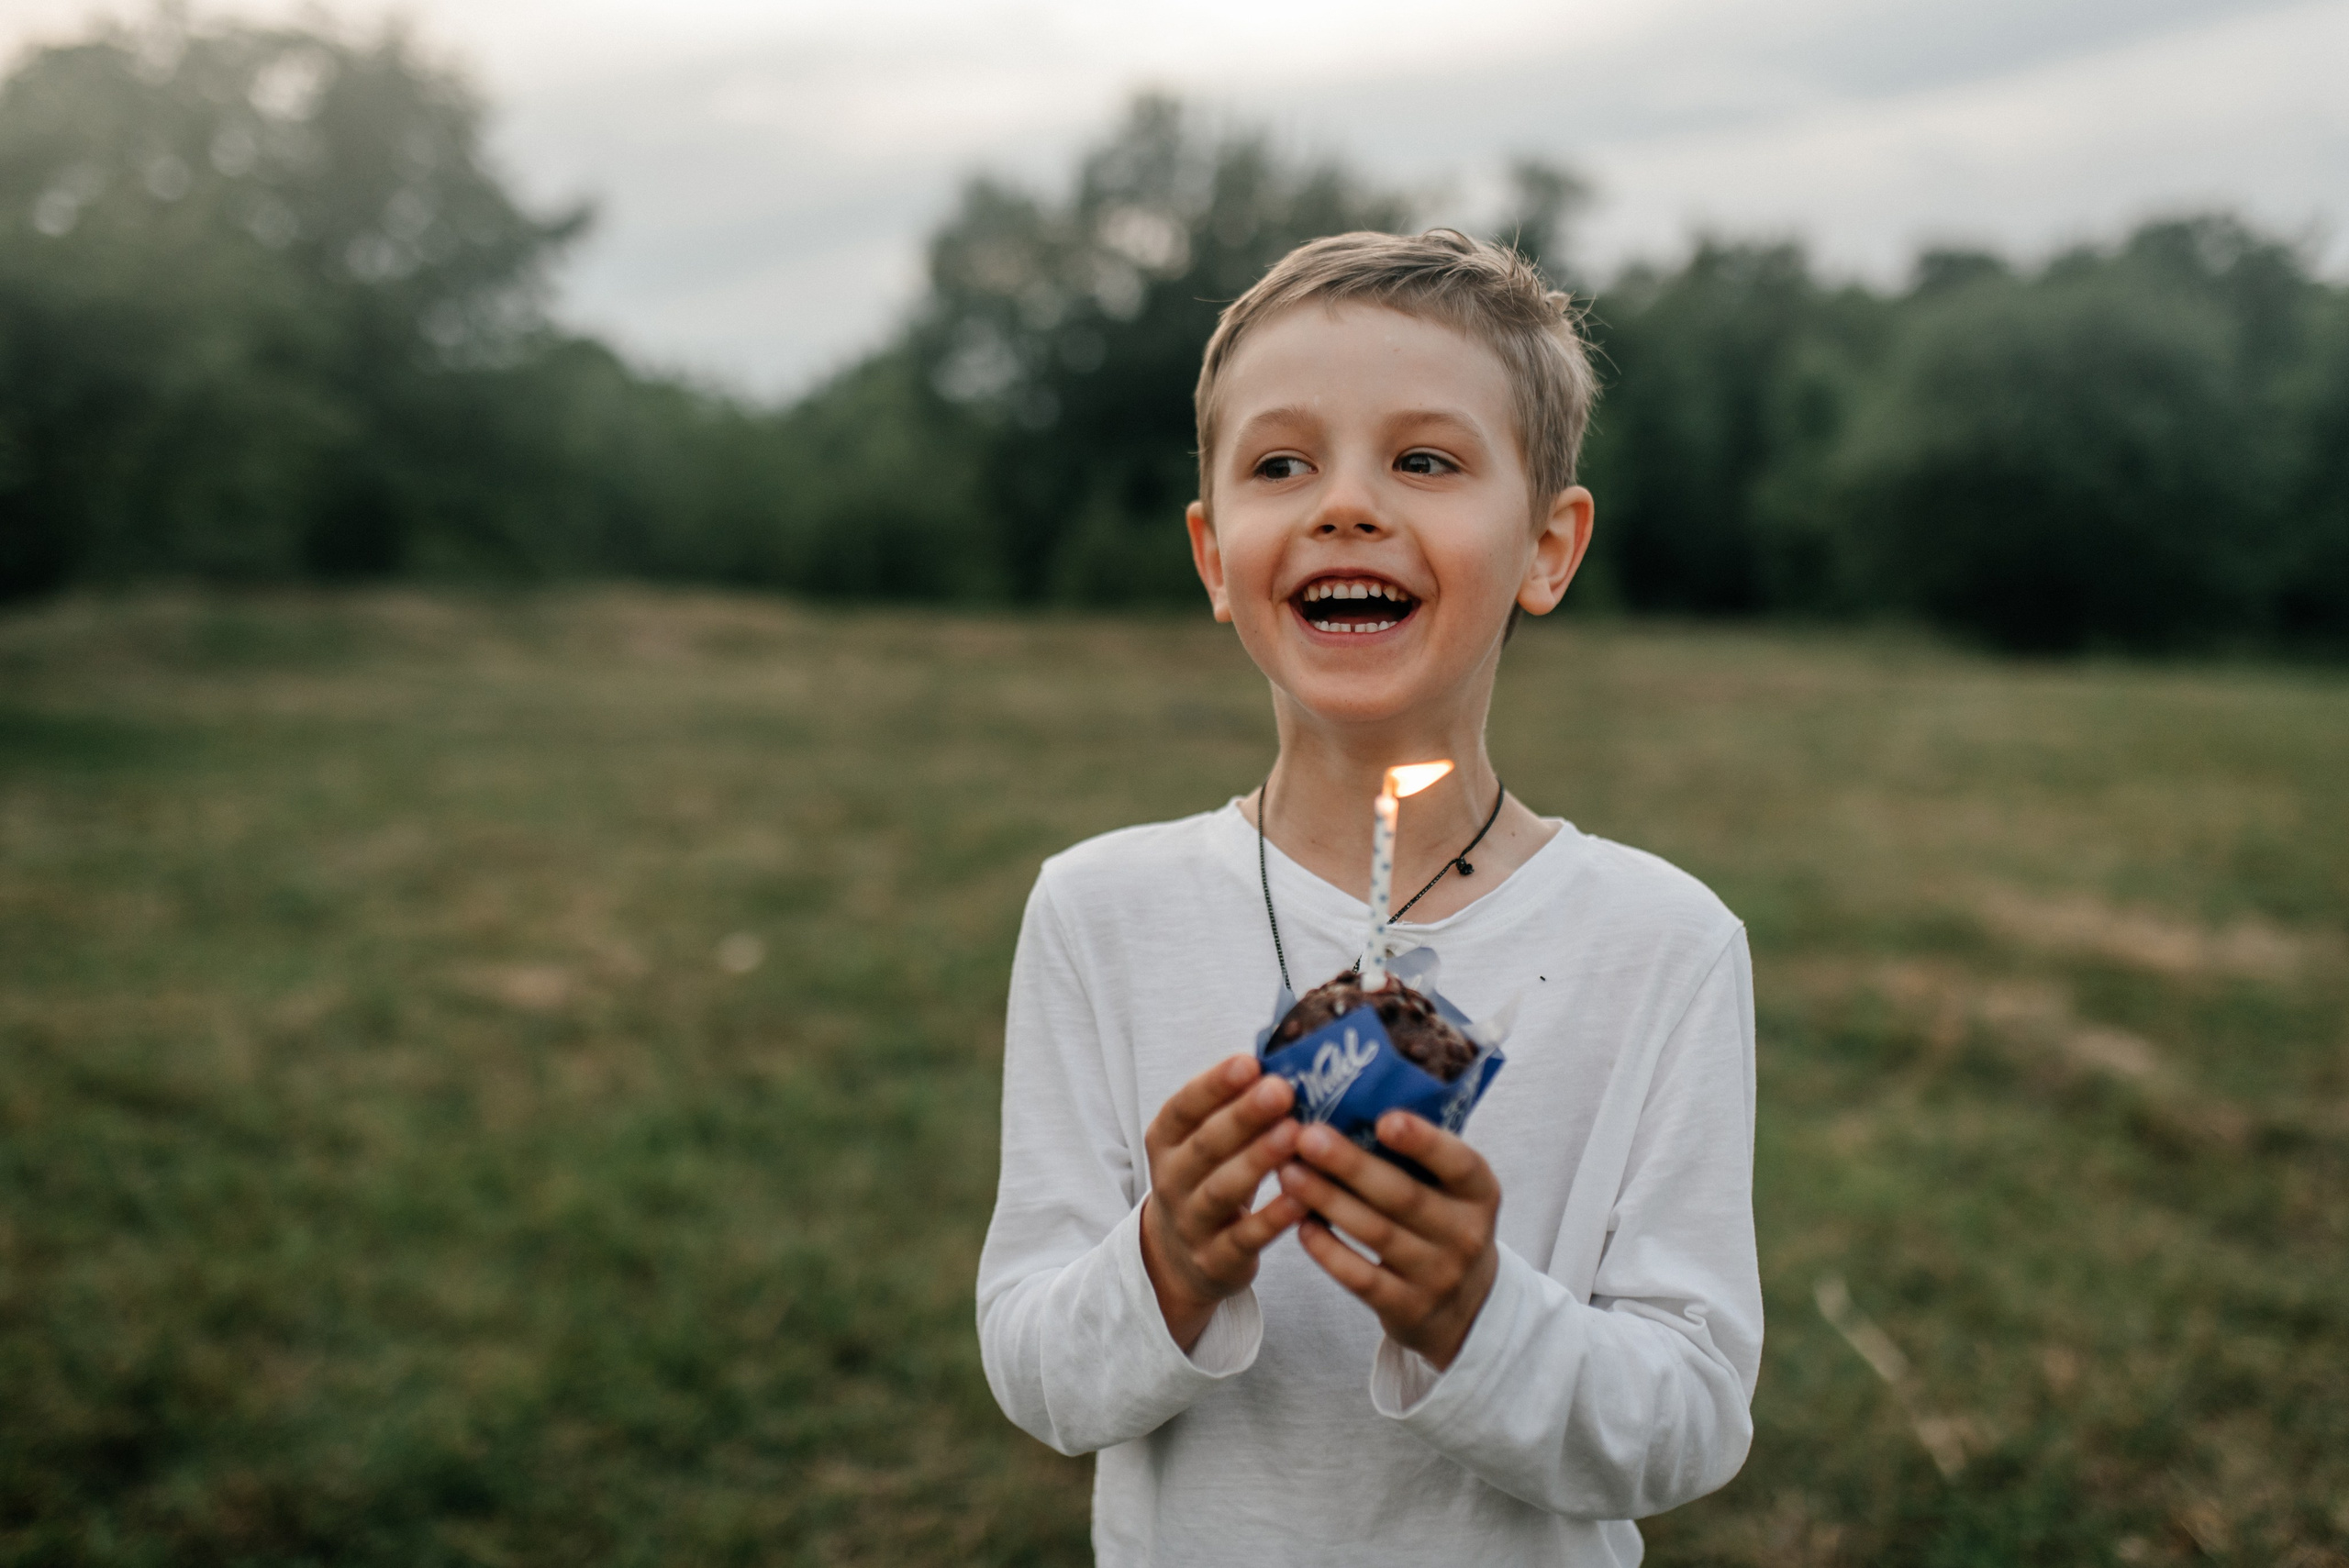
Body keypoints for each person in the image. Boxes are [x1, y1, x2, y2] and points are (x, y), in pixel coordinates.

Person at [976, 228, 1760, 1567]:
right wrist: (1170, 1257)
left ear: (1548, 547)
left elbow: (1690, 1420)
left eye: (1426, 460)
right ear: (1217, 555)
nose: (1346, 505)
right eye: (1283, 464)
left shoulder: (1665, 944)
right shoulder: (1097, 912)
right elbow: (1039, 1373)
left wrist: (1474, 1312)